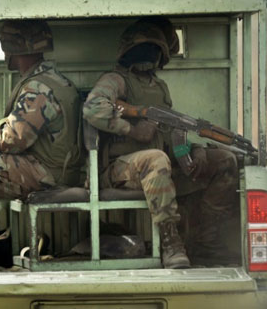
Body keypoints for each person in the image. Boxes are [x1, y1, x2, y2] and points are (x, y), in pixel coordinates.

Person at [82, 17, 239, 269]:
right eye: (142, 49)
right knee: (156, 158)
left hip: (158, 165)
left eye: (154, 50)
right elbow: (92, 108)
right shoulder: (116, 80)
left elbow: (168, 133)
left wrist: (194, 149)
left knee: (224, 161)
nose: (148, 55)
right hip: (118, 170)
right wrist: (133, 129)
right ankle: (171, 243)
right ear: (127, 53)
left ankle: (206, 242)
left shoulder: (160, 87)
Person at [0, 19, 83, 273]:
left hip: (47, 174)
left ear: (14, 48)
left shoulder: (38, 87)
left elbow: (14, 139)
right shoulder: (56, 81)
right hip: (60, 169)